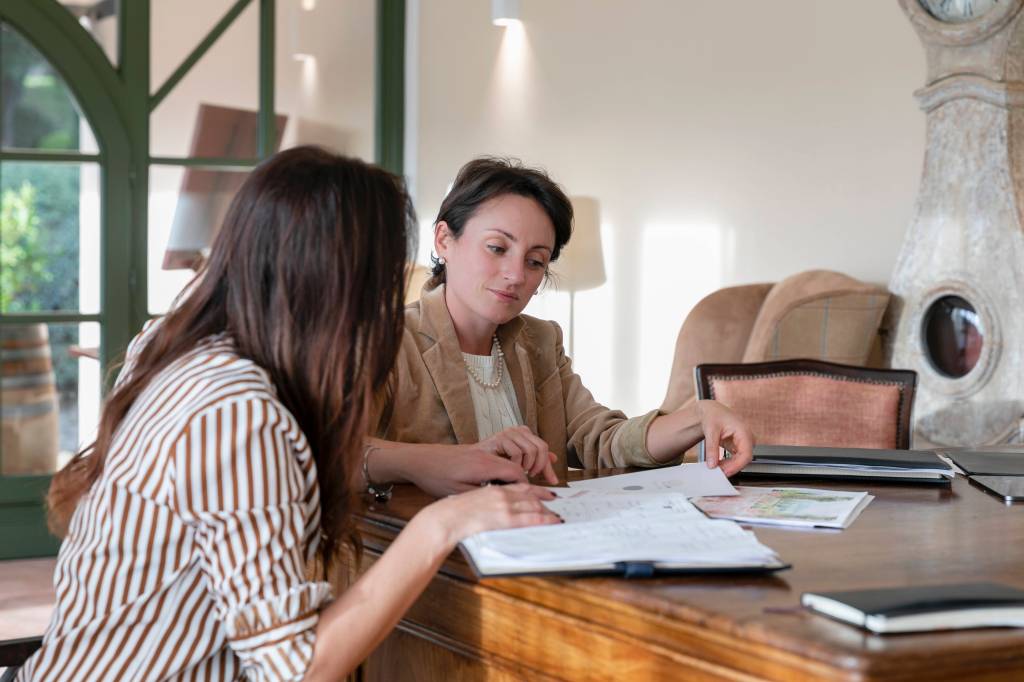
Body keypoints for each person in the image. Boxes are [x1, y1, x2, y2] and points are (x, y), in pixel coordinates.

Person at [20, 147, 560, 681]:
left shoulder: (178, 348)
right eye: (384, 274)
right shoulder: (240, 412)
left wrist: (419, 464)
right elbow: (296, 670)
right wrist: (440, 525)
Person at [362, 157, 755, 497]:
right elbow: (338, 455)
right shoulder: (385, 339)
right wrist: (444, 460)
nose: (516, 274)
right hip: (421, 557)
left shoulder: (540, 341)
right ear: (444, 239)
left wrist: (698, 416)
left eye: (535, 261)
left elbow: (599, 440)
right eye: (497, 248)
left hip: (531, 548)